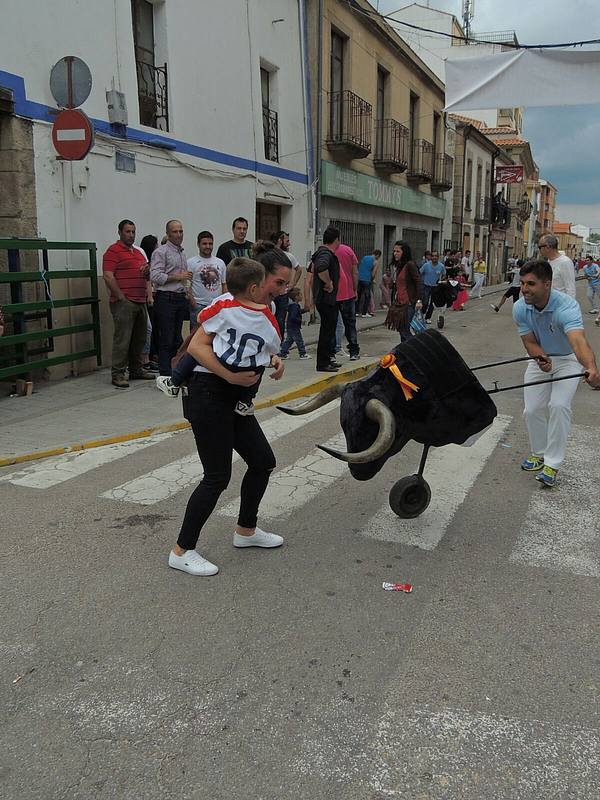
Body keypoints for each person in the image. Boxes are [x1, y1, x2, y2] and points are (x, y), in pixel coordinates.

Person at [167, 256, 292, 577]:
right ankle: (182, 550)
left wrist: (273, 359)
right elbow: (197, 346)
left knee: (262, 461)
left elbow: (253, 345)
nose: (282, 290)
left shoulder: (262, 310)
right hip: (208, 394)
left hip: (233, 398)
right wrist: (231, 376)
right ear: (257, 284)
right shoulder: (227, 305)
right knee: (217, 477)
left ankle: (246, 531)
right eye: (278, 283)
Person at [514, 259, 600, 487]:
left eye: (531, 284)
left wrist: (591, 368)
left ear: (547, 284)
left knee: (559, 406)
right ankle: (539, 453)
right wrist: (540, 357)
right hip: (540, 358)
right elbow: (529, 341)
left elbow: (578, 342)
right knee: (532, 409)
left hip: (568, 359)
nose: (524, 289)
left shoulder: (566, 306)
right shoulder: (520, 307)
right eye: (522, 283)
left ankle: (552, 464)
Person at [102, 219, 154, 389]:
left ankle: (136, 369)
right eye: (127, 231)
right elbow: (108, 275)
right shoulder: (113, 251)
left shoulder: (138, 253)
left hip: (140, 301)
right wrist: (120, 296)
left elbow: (146, 276)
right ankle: (118, 373)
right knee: (122, 339)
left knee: (139, 339)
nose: (131, 235)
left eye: (133, 232)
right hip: (124, 302)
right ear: (120, 232)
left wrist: (147, 272)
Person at [150, 219, 192, 377]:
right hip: (166, 298)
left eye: (181, 231)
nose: (179, 234)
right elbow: (155, 276)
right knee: (166, 339)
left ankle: (175, 373)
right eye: (175, 231)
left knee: (176, 339)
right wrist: (177, 277)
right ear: (168, 234)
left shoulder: (181, 253)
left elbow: (183, 278)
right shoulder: (161, 252)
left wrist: (186, 291)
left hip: (180, 297)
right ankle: (165, 374)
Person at [312, 226, 341, 373]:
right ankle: (323, 363)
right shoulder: (325, 254)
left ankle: (328, 359)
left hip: (327, 299)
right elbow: (320, 268)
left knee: (329, 331)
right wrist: (329, 283)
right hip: (325, 299)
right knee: (326, 331)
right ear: (336, 240)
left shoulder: (323, 253)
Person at [187, 231, 227, 330]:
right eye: (204, 244)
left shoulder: (220, 263)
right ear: (198, 244)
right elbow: (187, 286)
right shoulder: (190, 263)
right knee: (195, 334)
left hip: (216, 306)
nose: (208, 246)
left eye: (210, 244)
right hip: (198, 306)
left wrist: (222, 303)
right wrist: (194, 304)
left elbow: (224, 285)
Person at [385, 241, 421, 342]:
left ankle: (417, 348)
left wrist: (418, 300)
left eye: (398, 251)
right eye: (394, 251)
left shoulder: (410, 265)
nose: (395, 253)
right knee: (401, 330)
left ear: (404, 252)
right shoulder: (399, 266)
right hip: (400, 303)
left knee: (405, 331)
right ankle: (405, 350)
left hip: (408, 303)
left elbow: (418, 282)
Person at [335, 242, 360, 361]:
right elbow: (355, 272)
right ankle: (353, 351)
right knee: (350, 323)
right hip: (348, 293)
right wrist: (355, 289)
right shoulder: (348, 251)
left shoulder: (327, 251)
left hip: (332, 294)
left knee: (331, 323)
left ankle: (332, 351)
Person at [538, 234, 576, 298]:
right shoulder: (548, 261)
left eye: (539, 247)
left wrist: (569, 304)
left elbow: (570, 288)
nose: (539, 250)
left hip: (561, 302)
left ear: (547, 247)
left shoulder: (565, 262)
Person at [279, 288, 310, 359]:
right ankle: (302, 353)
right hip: (294, 327)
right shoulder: (295, 306)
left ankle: (283, 353)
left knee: (289, 340)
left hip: (291, 326)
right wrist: (300, 321)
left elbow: (297, 312)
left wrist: (304, 310)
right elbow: (293, 317)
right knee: (299, 340)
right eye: (300, 294)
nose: (302, 296)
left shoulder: (293, 305)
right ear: (296, 297)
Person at [420, 250, 445, 321]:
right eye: (433, 256)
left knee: (432, 303)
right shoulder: (426, 265)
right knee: (425, 302)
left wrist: (441, 280)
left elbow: (444, 274)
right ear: (431, 257)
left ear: (438, 257)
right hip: (426, 286)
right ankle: (422, 314)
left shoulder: (441, 266)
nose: (434, 257)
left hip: (435, 287)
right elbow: (419, 273)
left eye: (436, 256)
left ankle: (428, 318)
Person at [357, 248, 381, 317]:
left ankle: (356, 312)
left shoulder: (364, 257)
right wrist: (372, 279)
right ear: (377, 255)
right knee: (367, 296)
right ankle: (364, 313)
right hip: (367, 279)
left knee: (359, 295)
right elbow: (373, 273)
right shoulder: (375, 261)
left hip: (359, 278)